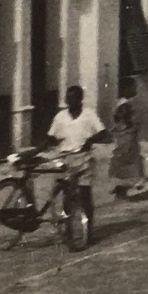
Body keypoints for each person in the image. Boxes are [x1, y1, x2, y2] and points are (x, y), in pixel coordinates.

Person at [44, 85, 112, 224]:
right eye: (68, 98)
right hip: (65, 158)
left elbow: (102, 132)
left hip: (83, 158)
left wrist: (90, 140)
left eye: (74, 98)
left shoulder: (89, 114)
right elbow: (51, 136)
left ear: (80, 99)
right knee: (66, 194)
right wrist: (46, 145)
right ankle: (68, 229)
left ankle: (89, 228)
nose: (70, 101)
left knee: (84, 193)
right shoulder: (60, 116)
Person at [108, 77, 146, 200]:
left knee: (124, 162)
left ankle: (121, 191)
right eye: (133, 87)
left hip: (125, 137)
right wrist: (131, 125)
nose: (136, 90)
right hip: (126, 137)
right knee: (128, 162)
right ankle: (122, 189)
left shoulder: (122, 103)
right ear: (126, 89)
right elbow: (124, 120)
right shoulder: (125, 105)